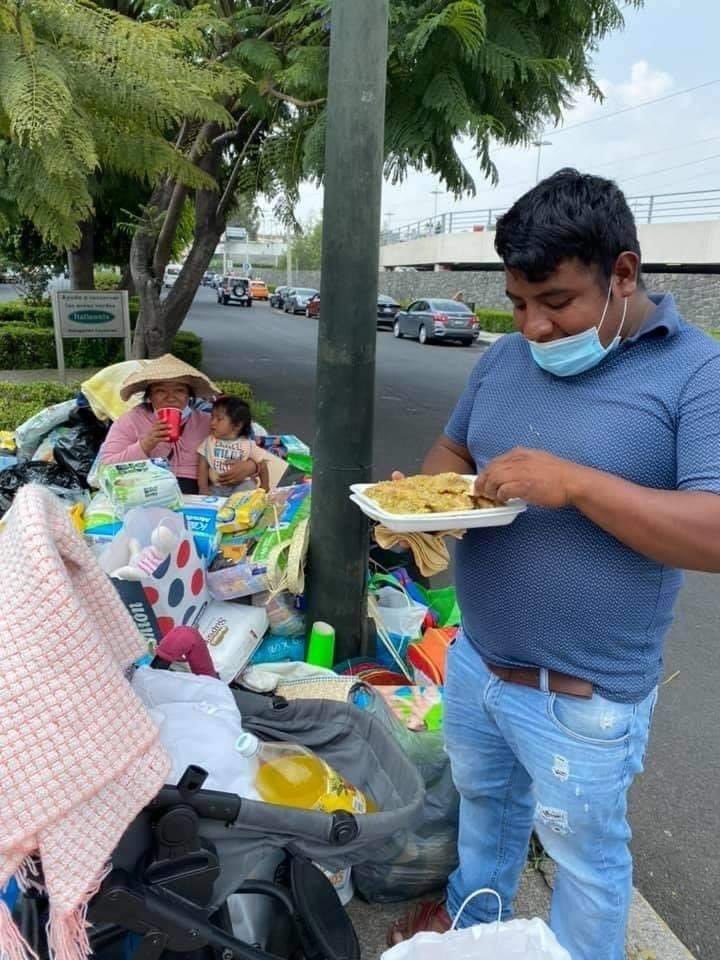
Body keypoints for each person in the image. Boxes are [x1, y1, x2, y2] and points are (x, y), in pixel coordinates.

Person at [388, 169, 720, 960]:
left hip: (584, 700)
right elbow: (455, 450)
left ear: (624, 274)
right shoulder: (502, 361)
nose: (533, 327)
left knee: (587, 867)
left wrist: (573, 483)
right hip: (476, 665)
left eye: (557, 302)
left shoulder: (695, 371)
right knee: (484, 811)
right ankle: (476, 927)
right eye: (517, 304)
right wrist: (427, 496)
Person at [100, 354, 259, 495]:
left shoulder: (209, 421)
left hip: (200, 493)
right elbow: (107, 466)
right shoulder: (131, 420)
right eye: (161, 391)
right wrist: (145, 444)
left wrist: (251, 466)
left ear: (189, 396)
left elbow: (256, 451)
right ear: (150, 396)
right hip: (148, 493)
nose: (171, 397)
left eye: (179, 391)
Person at [197, 395, 270, 496]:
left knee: (247, 492)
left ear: (237, 425)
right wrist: (203, 488)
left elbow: (262, 464)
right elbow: (202, 466)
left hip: (242, 484)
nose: (212, 422)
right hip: (217, 487)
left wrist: (265, 486)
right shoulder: (209, 442)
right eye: (212, 417)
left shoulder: (247, 444)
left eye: (219, 419)